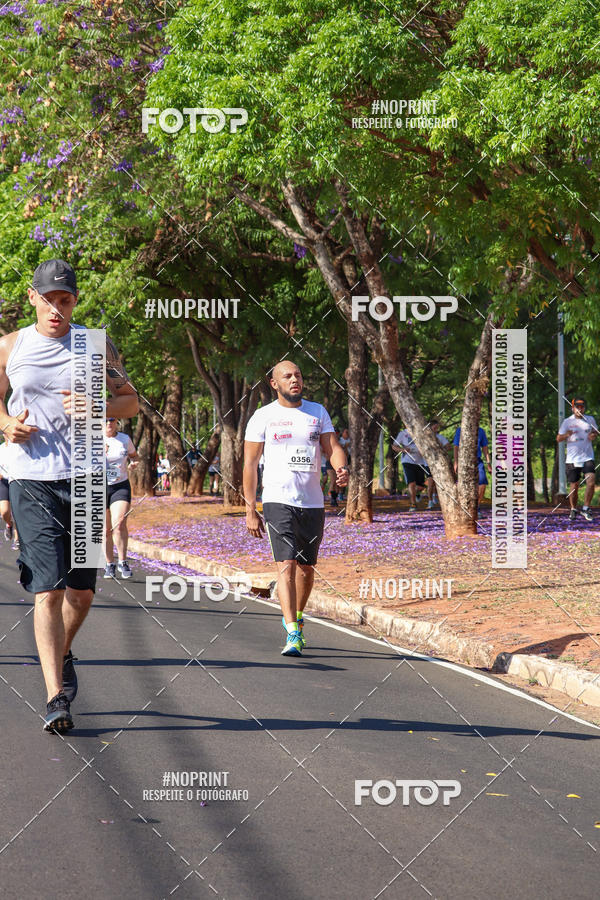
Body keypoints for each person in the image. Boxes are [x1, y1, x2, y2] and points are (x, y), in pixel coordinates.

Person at [0, 258, 138, 733]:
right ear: (33, 299)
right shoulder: (10, 347)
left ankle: (62, 649)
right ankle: (55, 696)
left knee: (81, 592)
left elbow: (131, 402)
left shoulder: (95, 346)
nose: (57, 309)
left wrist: (96, 402)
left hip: (84, 478)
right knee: (50, 588)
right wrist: (5, 423)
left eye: (66, 300)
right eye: (49, 299)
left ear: (75, 300)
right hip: (31, 477)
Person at [243, 360, 348, 656]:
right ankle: (292, 633)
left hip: (312, 501)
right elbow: (250, 464)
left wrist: (341, 468)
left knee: (306, 567)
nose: (294, 380)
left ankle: (297, 619)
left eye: (298, 375)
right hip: (277, 499)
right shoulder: (263, 417)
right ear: (274, 383)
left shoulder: (317, 412)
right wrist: (251, 509)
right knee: (286, 565)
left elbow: (333, 448)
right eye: (287, 376)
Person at [103, 417, 139, 579]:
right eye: (105, 420)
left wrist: (133, 463)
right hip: (98, 487)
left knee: (119, 523)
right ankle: (109, 564)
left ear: (117, 421)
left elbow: (134, 456)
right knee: (105, 530)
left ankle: (123, 562)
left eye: (112, 420)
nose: (109, 423)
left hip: (120, 485)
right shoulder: (92, 439)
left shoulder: (124, 439)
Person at [557, 397, 598, 521]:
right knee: (574, 486)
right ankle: (573, 509)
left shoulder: (590, 419)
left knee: (591, 482)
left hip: (588, 457)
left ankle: (586, 508)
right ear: (573, 408)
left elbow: (595, 431)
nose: (580, 409)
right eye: (577, 407)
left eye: (582, 407)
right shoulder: (567, 422)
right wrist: (566, 435)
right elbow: (558, 438)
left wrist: (593, 435)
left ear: (584, 408)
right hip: (572, 459)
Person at [392, 426, 430, 511]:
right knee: (411, 483)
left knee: (421, 486)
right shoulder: (403, 433)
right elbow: (394, 446)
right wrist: (403, 450)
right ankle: (413, 504)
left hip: (420, 462)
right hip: (407, 461)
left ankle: (415, 493)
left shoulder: (421, 431)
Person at [453, 424, 492, 503]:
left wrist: (488, 463)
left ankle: (476, 507)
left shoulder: (481, 431)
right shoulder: (459, 430)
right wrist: (456, 462)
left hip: (477, 461)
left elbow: (485, 448)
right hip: (464, 461)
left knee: (482, 483)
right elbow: (456, 447)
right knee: (464, 485)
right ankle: (465, 506)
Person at [424, 419, 450, 509]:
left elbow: (448, 446)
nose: (436, 429)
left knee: (438, 482)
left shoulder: (440, 437)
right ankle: (430, 501)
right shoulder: (425, 438)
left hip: (439, 463)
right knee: (430, 482)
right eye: (434, 427)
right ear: (429, 427)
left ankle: (436, 496)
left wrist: (441, 450)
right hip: (428, 464)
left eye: (437, 427)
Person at [0, 439, 18, 549]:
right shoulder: (1, 448)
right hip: (4, 481)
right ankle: (9, 524)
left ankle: (17, 538)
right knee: (4, 511)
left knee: (18, 511)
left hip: (17, 480)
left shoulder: (19, 448)